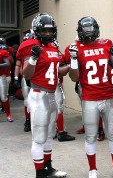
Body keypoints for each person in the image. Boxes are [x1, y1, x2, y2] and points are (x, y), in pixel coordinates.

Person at [68, 16, 113, 178]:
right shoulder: (75, 47)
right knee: (91, 135)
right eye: (85, 31)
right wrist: (73, 60)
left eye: (91, 30)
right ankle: (92, 169)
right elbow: (74, 78)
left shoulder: (107, 44)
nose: (88, 34)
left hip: (109, 96)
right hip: (90, 98)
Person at [22, 13, 69, 178]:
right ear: (37, 30)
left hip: (51, 95)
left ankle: (48, 168)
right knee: (39, 137)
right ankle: (39, 173)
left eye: (50, 31)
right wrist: (33, 58)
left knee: (49, 134)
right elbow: (26, 74)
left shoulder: (53, 47)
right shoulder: (31, 46)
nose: (48, 34)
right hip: (38, 94)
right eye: (44, 31)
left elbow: (57, 71)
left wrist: (71, 65)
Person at [53, 40, 76, 142]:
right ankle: (61, 132)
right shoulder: (58, 57)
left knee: (49, 110)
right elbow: (60, 73)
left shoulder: (43, 55)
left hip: (44, 86)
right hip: (54, 85)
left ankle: (52, 131)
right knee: (58, 109)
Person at [14, 32, 35, 132]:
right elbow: (18, 65)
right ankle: (28, 120)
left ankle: (34, 120)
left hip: (37, 77)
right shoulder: (23, 50)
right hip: (26, 76)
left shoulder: (40, 46)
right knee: (27, 100)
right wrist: (16, 78)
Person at [0, 37, 14, 122]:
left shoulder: (3, 52)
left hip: (1, 76)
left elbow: (8, 63)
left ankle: (8, 114)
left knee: (3, 96)